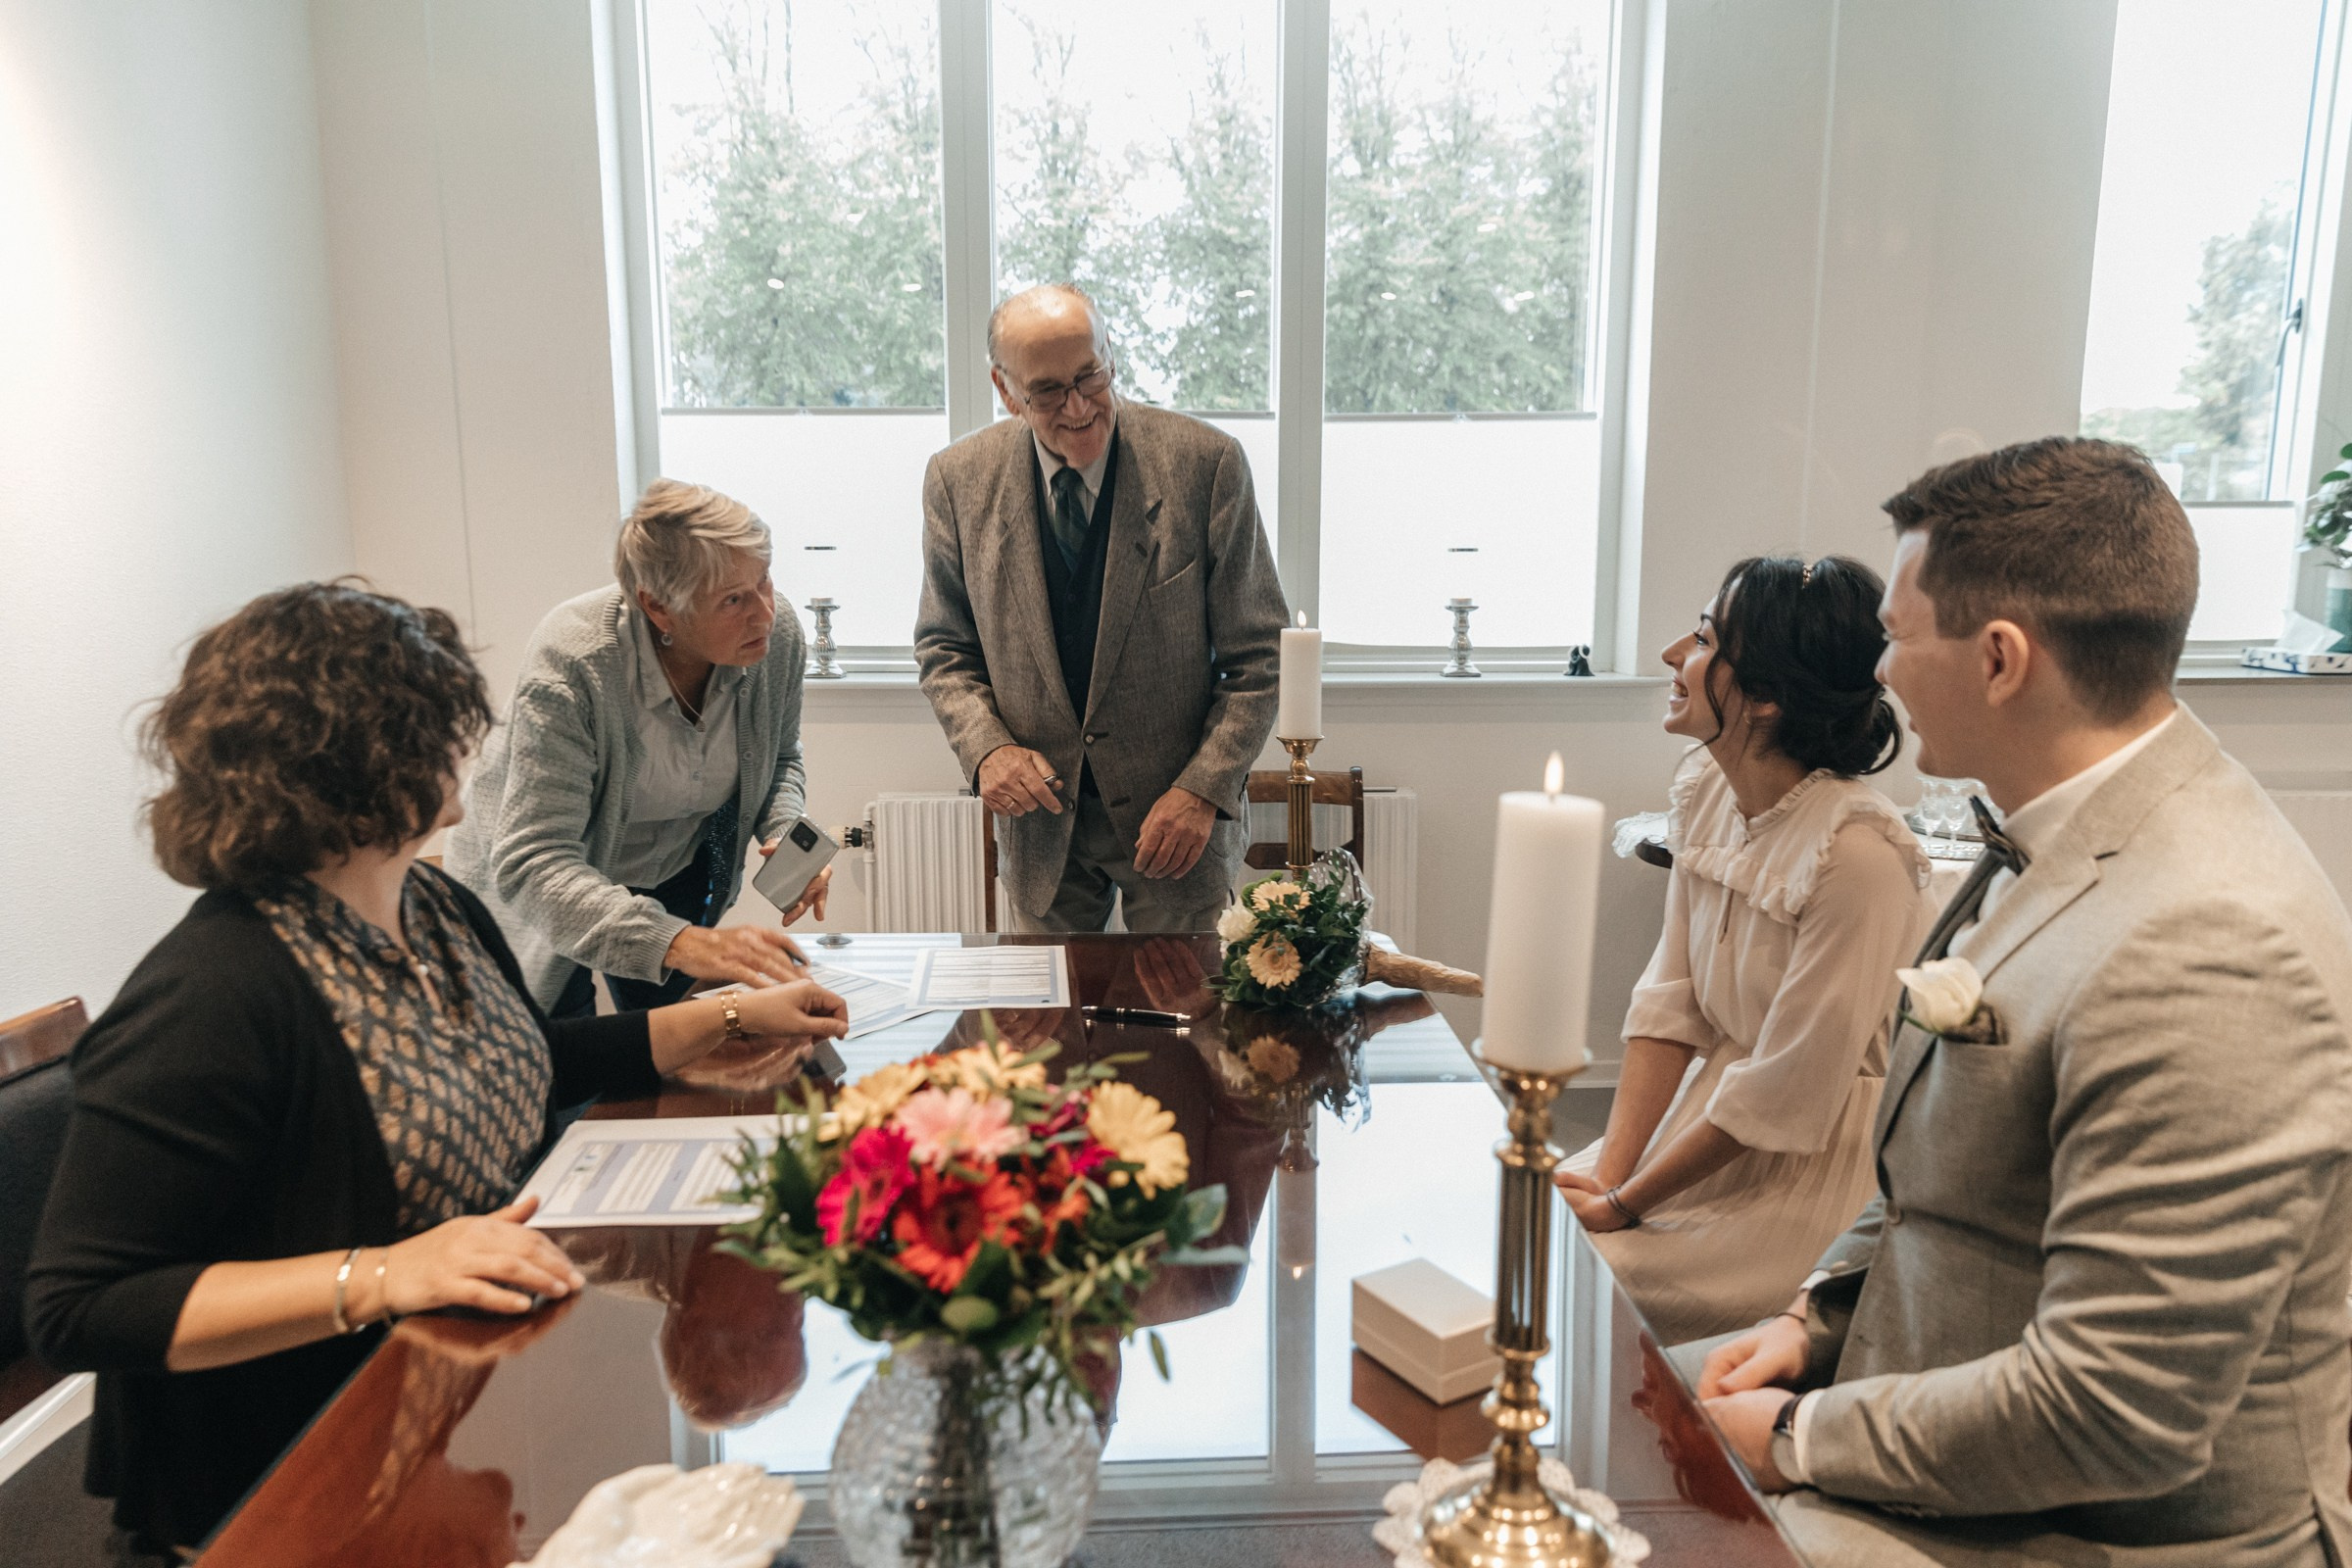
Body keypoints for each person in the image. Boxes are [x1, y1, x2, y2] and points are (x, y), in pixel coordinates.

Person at [27, 583, 848, 1559]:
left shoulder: (429, 904)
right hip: (282, 1488)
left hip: (441, 1410)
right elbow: (79, 1308)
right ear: (363, 760)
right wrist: (382, 1274)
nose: (474, 749)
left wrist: (721, 1016)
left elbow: (523, 1059)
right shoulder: (215, 995)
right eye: (444, 729)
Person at [1695, 438, 2352, 1567]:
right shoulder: (2058, 820)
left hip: (2112, 1531)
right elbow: (1941, 1174)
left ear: (2002, 660)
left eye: (1897, 637)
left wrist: (1806, 1434)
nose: (1880, 672)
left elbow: (2116, 1411)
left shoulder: (2211, 940)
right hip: (1940, 1415)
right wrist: (1814, 1319)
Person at [1554, 556, 1934, 1344]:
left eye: (1701, 640)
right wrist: (1609, 1172)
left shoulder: (1857, 855)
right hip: (1706, 1124)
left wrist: (1627, 1207)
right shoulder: (1705, 790)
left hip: (1813, 1174)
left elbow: (1790, 1089)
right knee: (1530, 1228)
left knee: (1573, 1285)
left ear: (1764, 696)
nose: (1670, 654)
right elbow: (1671, 1002)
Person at [915, 283, 1288, 933]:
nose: (1080, 406)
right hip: (1040, 829)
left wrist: (1203, 789)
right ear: (1006, 392)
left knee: (1186, 1025)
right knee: (1046, 1030)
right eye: (1049, 390)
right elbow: (944, 647)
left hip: (1177, 825)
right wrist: (987, 750)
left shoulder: (1207, 464)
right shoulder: (957, 479)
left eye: (1091, 374)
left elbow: (1262, 656)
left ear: (1111, 355)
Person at [448, 479, 830, 1016]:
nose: (764, 613)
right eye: (733, 600)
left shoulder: (774, 636)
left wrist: (788, 832)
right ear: (658, 608)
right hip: (546, 882)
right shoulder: (575, 664)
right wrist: (680, 943)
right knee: (559, 1050)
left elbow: (780, 757)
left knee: (684, 1041)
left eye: (764, 581)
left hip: (676, 869)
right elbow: (535, 859)